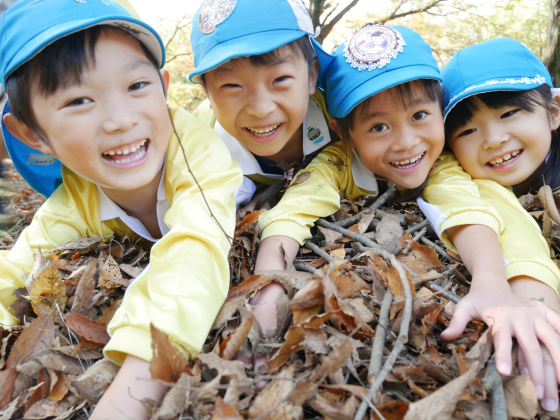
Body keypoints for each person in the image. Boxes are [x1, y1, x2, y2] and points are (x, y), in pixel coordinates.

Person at [257, 26, 560, 412]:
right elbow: (294, 210)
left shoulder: (444, 164)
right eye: (378, 127)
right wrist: (269, 285)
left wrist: (492, 285)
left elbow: (468, 210)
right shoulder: (336, 165)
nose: (405, 141)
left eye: (419, 115)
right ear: (345, 134)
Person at [0, 1, 242, 419]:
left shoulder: (198, 150)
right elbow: (15, 271)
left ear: (164, 87)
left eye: (136, 87)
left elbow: (194, 251)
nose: (120, 120)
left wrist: (134, 389)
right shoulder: (76, 198)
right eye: (78, 100)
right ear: (32, 134)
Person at [420, 37, 560, 412]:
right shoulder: (462, 177)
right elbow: (454, 193)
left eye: (509, 113)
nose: (494, 140)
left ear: (553, 111)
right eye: (467, 131)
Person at [190, 0, 334, 209]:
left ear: (311, 76)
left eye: (280, 79)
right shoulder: (197, 140)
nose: (260, 109)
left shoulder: (340, 116)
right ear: (207, 92)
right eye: (232, 86)